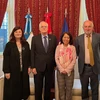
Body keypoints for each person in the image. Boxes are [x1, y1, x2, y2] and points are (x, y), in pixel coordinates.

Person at [3, 26, 31, 100]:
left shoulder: (26, 44)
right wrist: (6, 71)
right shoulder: (9, 45)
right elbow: (6, 58)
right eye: (16, 32)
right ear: (13, 33)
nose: (18, 33)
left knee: (23, 90)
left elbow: (29, 56)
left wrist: (29, 66)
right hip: (12, 72)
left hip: (23, 71)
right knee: (13, 91)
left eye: (19, 32)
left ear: (22, 33)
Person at [31, 21, 57, 100]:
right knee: (38, 87)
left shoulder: (53, 38)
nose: (44, 28)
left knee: (48, 86)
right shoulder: (35, 38)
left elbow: (55, 52)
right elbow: (32, 53)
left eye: (45, 26)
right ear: (39, 28)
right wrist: (33, 67)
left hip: (50, 66)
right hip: (38, 67)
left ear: (48, 28)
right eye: (42, 27)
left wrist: (55, 65)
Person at [74, 20, 100, 100]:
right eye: (86, 26)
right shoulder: (78, 38)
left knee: (95, 89)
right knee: (84, 89)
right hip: (83, 68)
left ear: (92, 27)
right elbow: (77, 52)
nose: (87, 28)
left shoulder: (98, 37)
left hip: (95, 67)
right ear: (83, 28)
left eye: (89, 26)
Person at [55, 32, 76, 100]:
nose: (66, 39)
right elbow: (56, 58)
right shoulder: (58, 47)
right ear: (62, 38)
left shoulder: (73, 48)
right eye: (64, 37)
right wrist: (61, 69)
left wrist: (67, 70)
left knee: (69, 90)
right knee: (61, 90)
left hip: (70, 72)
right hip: (60, 72)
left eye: (68, 37)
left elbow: (74, 60)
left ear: (70, 39)